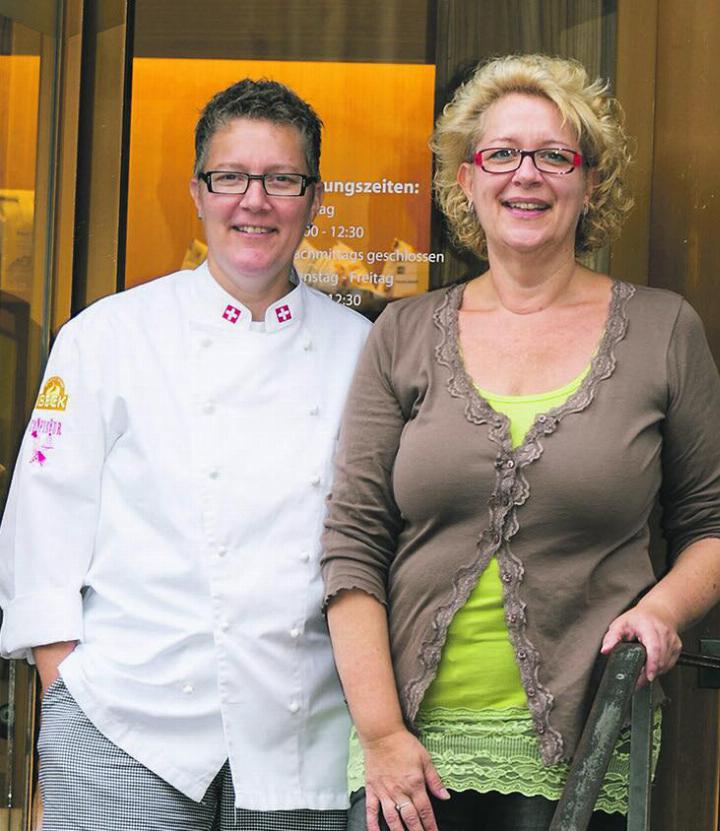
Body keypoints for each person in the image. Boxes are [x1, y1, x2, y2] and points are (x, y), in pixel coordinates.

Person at [321, 54, 720, 831]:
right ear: (466, 180)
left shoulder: (664, 330)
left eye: (554, 154)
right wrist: (380, 732)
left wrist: (664, 610)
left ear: (590, 180)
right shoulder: (402, 334)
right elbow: (352, 543)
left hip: (586, 742)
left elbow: (710, 523)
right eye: (501, 153)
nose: (526, 175)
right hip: (408, 755)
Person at [0, 78, 371, 830]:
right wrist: (67, 683)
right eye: (230, 177)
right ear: (198, 192)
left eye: (281, 180)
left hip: (302, 728)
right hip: (126, 717)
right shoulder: (105, 336)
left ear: (314, 197)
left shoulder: (362, 350)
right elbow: (43, 526)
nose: (254, 200)